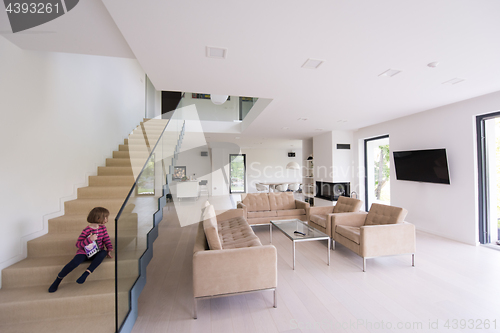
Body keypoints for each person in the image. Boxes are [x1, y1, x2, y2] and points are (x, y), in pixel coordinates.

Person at [48, 207, 113, 293]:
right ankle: (58, 279)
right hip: (84, 253)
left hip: (96, 252)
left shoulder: (103, 228)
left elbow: (106, 239)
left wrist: (109, 249)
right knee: (74, 262)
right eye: (105, 217)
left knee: (103, 252)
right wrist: (90, 239)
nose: (106, 219)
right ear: (98, 218)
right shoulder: (86, 230)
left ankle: (86, 273)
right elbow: (78, 244)